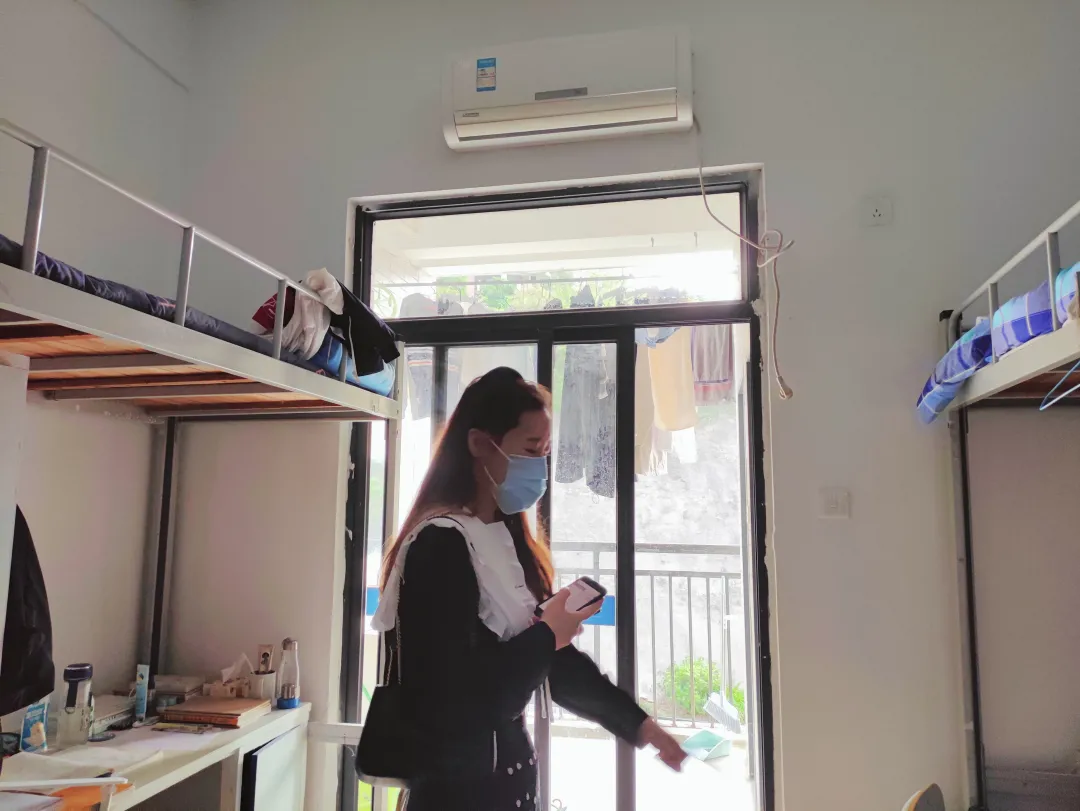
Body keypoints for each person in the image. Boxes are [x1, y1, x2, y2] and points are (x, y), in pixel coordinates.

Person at [372, 367, 685, 811]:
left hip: (506, 787)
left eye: (546, 452)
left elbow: (552, 666)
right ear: (480, 444)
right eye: (531, 450)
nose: (541, 467)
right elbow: (457, 697)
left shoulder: (502, 537)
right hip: (457, 795)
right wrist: (547, 634)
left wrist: (641, 726)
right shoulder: (439, 543)